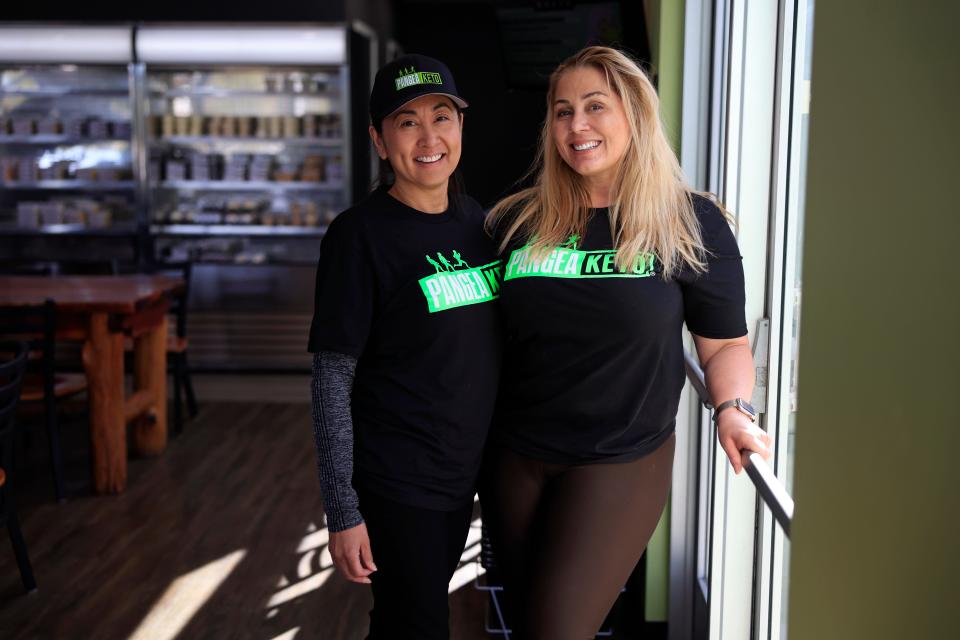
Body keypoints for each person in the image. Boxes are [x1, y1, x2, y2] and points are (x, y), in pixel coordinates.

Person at [480, 45, 773, 639]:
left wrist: (734, 410)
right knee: (525, 623)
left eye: (595, 107)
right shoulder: (516, 222)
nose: (576, 125)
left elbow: (723, 346)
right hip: (513, 457)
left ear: (635, 115)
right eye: (562, 111)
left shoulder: (687, 222)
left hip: (618, 458)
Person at [307, 54, 501, 639]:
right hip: (398, 481)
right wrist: (343, 510)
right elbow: (331, 378)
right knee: (416, 626)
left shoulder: (482, 225)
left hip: (465, 474)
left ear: (461, 128)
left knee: (401, 625)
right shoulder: (358, 236)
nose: (429, 136)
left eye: (442, 116)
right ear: (379, 139)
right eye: (406, 121)